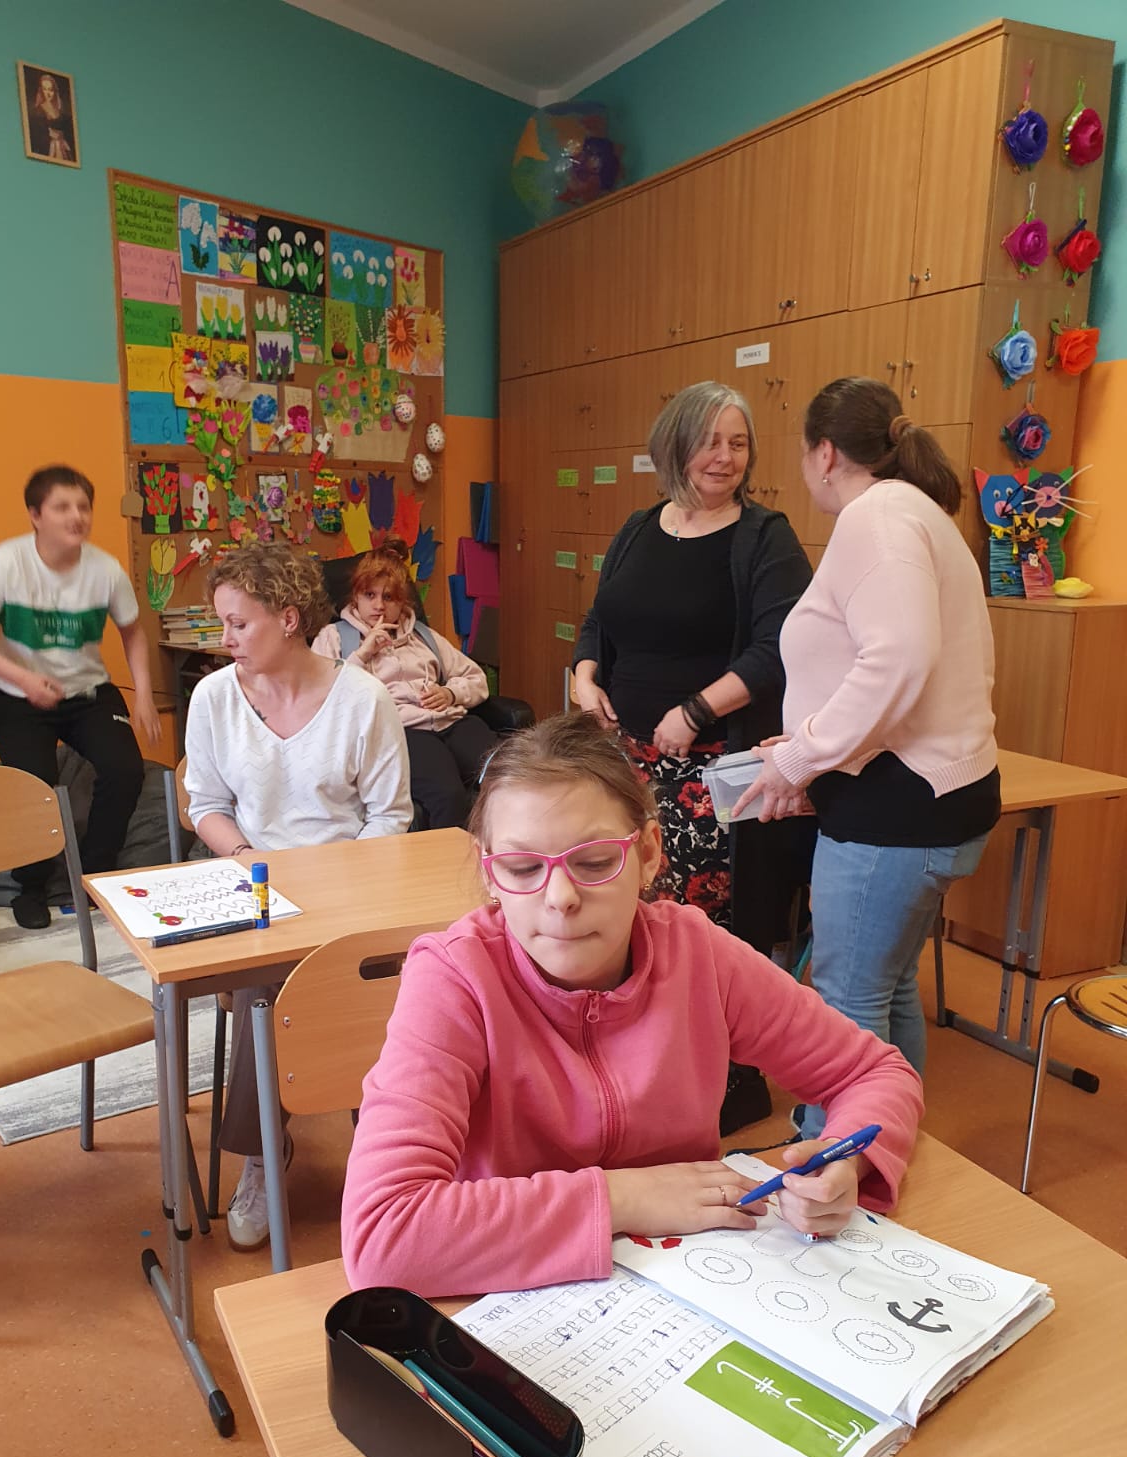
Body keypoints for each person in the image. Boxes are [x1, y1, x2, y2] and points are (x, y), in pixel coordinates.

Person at [341, 713, 923, 1297]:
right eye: (522, 869)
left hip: (693, 1285)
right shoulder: (455, 977)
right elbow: (383, 1238)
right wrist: (623, 1196)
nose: (560, 898)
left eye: (595, 862)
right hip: (507, 1294)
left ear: (647, 852)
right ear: (489, 873)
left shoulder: (698, 954)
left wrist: (848, 1161)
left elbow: (874, 1072)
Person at [736, 378, 1000, 1139]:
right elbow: (886, 666)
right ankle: (888, 1147)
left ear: (824, 453)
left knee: (848, 1000)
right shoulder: (915, 513)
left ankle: (835, 1165)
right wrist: (812, 745)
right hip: (932, 797)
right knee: (885, 989)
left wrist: (804, 755)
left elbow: (899, 658)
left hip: (899, 811)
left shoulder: (875, 517)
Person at [570, 381, 814, 1133]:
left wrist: (696, 711)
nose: (725, 457)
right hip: (630, 764)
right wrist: (583, 674)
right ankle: (652, 1074)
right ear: (674, 446)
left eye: (738, 443)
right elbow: (600, 618)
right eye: (710, 441)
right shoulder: (640, 528)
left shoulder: (764, 538)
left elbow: (778, 648)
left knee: (706, 934)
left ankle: (730, 1082)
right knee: (636, 918)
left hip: (715, 770)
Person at [183, 542, 411, 1249]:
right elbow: (205, 806)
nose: (224, 639)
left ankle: (383, 1150)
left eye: (237, 623)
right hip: (258, 887)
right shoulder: (214, 698)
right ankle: (262, 1153)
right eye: (221, 623)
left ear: (287, 619)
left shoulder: (363, 699)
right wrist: (247, 859)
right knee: (265, 985)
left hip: (352, 887)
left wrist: (336, 885)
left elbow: (390, 817)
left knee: (380, 978)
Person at [0, 465, 161, 930]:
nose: (76, 516)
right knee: (34, 783)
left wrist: (144, 695)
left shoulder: (105, 570)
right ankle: (31, 886)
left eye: (84, 507)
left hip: (87, 693)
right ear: (35, 515)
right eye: (62, 507)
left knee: (125, 769)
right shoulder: (6, 563)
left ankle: (95, 874)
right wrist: (23, 679)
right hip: (15, 697)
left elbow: (133, 633)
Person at [313, 544, 496, 829]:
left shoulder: (422, 635)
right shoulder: (334, 637)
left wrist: (450, 693)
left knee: (506, 775)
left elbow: (476, 678)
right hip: (402, 730)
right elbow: (321, 698)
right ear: (355, 597)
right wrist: (363, 654)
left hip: (452, 721)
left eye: (389, 597)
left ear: (402, 602)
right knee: (448, 796)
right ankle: (451, 858)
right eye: (370, 595)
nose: (379, 606)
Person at [28, 73, 75, 162]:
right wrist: (50, 135)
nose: (48, 94)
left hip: (63, 148)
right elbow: (36, 136)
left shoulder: (61, 111)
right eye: (45, 89)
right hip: (48, 149)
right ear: (41, 91)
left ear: (55, 91)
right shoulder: (38, 111)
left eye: (50, 90)